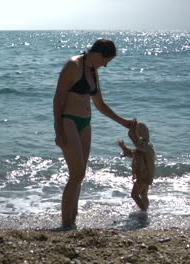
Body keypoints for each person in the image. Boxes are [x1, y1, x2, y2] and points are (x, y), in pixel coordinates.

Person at [53, 38, 136, 231]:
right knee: (77, 173)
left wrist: (124, 122)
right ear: (98, 54)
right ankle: (65, 224)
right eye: (106, 60)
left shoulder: (93, 71)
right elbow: (58, 98)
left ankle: (72, 221)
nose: (106, 65)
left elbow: (100, 105)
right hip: (69, 121)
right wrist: (58, 130)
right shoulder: (73, 65)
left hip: (85, 123)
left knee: (79, 175)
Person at [117, 122, 155, 212]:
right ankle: (145, 209)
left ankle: (143, 210)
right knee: (143, 194)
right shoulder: (140, 148)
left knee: (134, 195)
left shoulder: (148, 146)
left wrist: (132, 135)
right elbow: (131, 153)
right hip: (144, 175)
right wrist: (124, 148)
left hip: (144, 175)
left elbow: (140, 146)